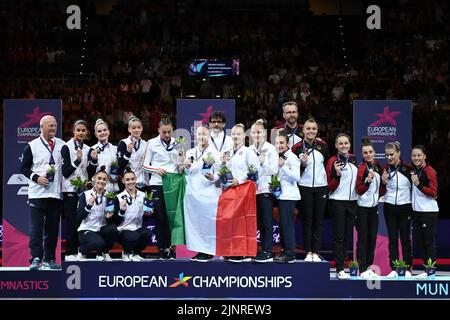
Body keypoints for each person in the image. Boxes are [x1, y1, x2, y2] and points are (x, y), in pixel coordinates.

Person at [20, 115, 64, 270]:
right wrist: (36, 178)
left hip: (55, 194)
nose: (53, 128)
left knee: (52, 229)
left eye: (55, 126)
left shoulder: (61, 145)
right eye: (50, 126)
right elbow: (23, 168)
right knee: (36, 228)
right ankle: (36, 258)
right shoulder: (31, 146)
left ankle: (50, 259)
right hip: (37, 194)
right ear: (42, 126)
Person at [291, 117, 329, 262]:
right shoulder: (297, 148)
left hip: (321, 188)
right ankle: (308, 251)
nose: (311, 131)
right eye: (308, 128)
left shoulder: (323, 146)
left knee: (318, 221)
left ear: (317, 130)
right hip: (304, 187)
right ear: (303, 131)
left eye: (313, 129)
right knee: (307, 221)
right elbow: (294, 170)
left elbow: (328, 166)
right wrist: (302, 164)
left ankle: (316, 251)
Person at [221, 123, 260, 263]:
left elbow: (255, 171)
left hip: (244, 190)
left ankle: (240, 252)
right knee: (229, 221)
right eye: (233, 134)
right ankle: (230, 250)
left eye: (239, 134)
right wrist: (223, 165)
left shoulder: (249, 151)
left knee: (241, 222)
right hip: (230, 191)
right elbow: (223, 172)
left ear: (244, 136)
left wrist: (240, 180)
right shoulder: (228, 152)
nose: (236, 136)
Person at [142, 115, 179, 260]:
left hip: (173, 184)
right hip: (157, 183)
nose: (167, 135)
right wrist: (156, 169)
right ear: (158, 130)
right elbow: (144, 165)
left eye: (169, 131)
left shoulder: (178, 142)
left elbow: (180, 162)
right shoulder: (151, 143)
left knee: (172, 218)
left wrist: (181, 166)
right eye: (164, 132)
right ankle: (161, 248)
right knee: (161, 217)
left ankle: (172, 248)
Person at [182, 126, 221, 262]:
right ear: (195, 136)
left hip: (208, 193)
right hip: (192, 194)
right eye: (199, 134)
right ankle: (200, 250)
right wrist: (185, 166)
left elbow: (220, 173)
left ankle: (208, 251)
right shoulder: (190, 152)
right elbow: (187, 172)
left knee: (207, 222)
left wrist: (213, 178)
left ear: (209, 134)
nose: (201, 136)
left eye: (204, 134)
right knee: (196, 223)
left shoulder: (215, 153)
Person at [326, 133, 358, 279]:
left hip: (352, 203)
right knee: (339, 236)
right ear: (336, 146)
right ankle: (339, 268)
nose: (344, 146)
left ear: (350, 145)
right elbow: (330, 186)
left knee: (346, 236)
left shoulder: (354, 159)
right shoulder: (333, 161)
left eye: (346, 143)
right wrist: (337, 175)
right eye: (341, 144)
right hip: (337, 202)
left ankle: (343, 264)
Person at [381, 141, 413, 277]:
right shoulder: (384, 169)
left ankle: (406, 268)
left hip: (405, 207)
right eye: (387, 155)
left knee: (405, 238)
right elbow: (380, 191)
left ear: (398, 153)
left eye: (392, 154)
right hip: (389, 207)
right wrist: (382, 183)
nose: (389, 157)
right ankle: (393, 268)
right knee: (392, 239)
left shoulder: (408, 169)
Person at [355, 138, 385, 278]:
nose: (368, 154)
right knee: (363, 238)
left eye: (370, 152)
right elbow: (359, 190)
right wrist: (367, 181)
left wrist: (383, 183)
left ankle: (368, 267)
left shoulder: (377, 166)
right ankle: (362, 268)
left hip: (374, 208)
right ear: (362, 154)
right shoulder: (361, 169)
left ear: (374, 153)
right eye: (365, 152)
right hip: (361, 208)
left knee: (372, 238)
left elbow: (381, 188)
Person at [249, 119, 278, 263]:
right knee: (254, 222)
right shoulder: (249, 150)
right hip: (251, 191)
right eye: (254, 132)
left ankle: (267, 251)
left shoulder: (271, 149)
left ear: (265, 133)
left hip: (265, 190)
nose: (256, 134)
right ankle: (252, 249)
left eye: (259, 132)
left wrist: (262, 162)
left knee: (266, 221)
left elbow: (274, 169)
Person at [61, 119, 90, 262]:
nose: (81, 133)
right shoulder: (66, 147)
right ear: (73, 131)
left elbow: (88, 171)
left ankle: (80, 251)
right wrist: (77, 160)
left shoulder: (88, 149)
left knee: (82, 223)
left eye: (83, 130)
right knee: (72, 222)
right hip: (69, 191)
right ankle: (69, 253)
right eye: (78, 130)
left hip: (83, 191)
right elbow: (65, 172)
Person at [77, 167, 119, 261]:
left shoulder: (110, 196)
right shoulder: (85, 195)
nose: (101, 181)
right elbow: (79, 217)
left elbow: (115, 220)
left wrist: (109, 217)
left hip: (101, 229)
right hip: (87, 229)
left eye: (104, 179)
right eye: (99, 178)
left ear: (107, 181)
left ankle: (105, 252)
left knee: (113, 230)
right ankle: (81, 250)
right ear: (94, 179)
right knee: (99, 243)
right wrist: (88, 206)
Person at [410, 145, 439, 277]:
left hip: (428, 212)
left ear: (424, 156)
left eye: (419, 155)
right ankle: (426, 269)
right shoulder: (415, 171)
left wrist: (418, 185)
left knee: (428, 241)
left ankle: (431, 270)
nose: (416, 158)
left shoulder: (429, 171)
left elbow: (433, 193)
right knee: (420, 243)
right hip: (417, 212)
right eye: (414, 156)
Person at [273, 129, 301, 263]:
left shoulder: (293, 157)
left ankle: (290, 254)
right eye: (277, 143)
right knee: (283, 225)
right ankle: (285, 251)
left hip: (289, 196)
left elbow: (297, 177)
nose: (279, 145)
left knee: (287, 225)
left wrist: (283, 166)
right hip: (281, 196)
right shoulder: (278, 157)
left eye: (282, 143)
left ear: (288, 144)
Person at [115, 169, 151, 261]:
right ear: (123, 181)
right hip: (123, 229)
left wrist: (148, 213)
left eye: (132, 179)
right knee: (133, 236)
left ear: (136, 179)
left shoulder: (144, 195)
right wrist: (122, 211)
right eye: (127, 180)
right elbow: (115, 220)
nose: (130, 182)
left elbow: (147, 216)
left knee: (146, 234)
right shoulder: (118, 197)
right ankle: (126, 252)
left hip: (137, 227)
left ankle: (136, 253)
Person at [117, 116, 149, 190]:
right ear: (129, 129)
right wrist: (128, 152)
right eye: (133, 128)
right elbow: (120, 165)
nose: (136, 130)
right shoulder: (123, 143)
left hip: (143, 182)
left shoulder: (146, 144)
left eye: (138, 127)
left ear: (142, 128)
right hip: (128, 182)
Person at [87, 119, 119, 192]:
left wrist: (116, 177)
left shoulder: (115, 149)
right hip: (98, 187)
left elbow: (119, 167)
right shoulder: (92, 149)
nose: (102, 133)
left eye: (104, 130)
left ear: (109, 132)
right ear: (96, 134)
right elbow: (89, 172)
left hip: (113, 187)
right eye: (99, 131)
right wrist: (94, 159)